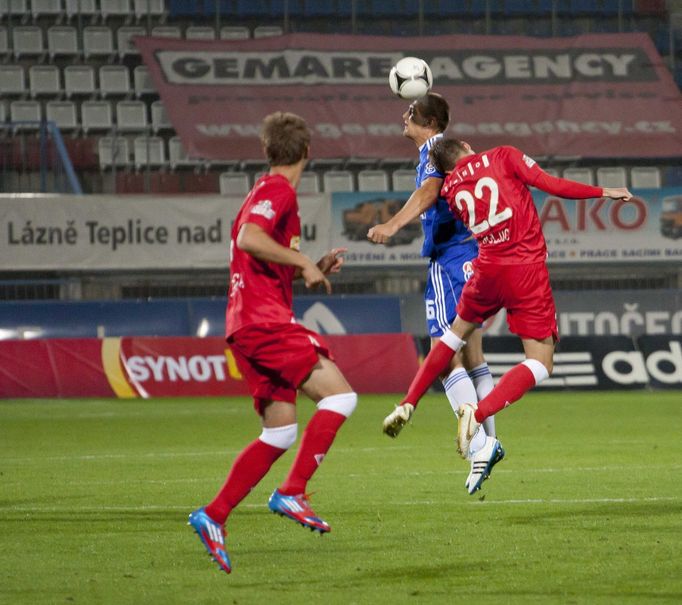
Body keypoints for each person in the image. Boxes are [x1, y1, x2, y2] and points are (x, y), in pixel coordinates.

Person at [383, 138, 632, 472]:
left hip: (487, 270)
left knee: (452, 337)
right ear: (467, 145)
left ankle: (407, 403)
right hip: (525, 271)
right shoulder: (504, 156)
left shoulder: (451, 190)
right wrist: (603, 192)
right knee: (541, 362)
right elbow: (551, 184)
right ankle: (479, 412)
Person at [188, 111, 357, 575]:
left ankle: (214, 514)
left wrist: (309, 264)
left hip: (247, 324)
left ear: (267, 151)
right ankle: (291, 492)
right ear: (307, 152)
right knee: (341, 397)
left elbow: (261, 254)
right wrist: (304, 262)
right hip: (264, 324)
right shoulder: (276, 190)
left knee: (280, 432)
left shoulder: (263, 193)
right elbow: (249, 238)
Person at [367, 92, 502, 495]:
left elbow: (429, 191)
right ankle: (490, 441)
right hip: (472, 257)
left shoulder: (432, 152)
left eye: (409, 112)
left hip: (449, 260)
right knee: (473, 355)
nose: (402, 115)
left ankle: (482, 444)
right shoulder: (448, 150)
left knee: (444, 356)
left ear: (426, 122)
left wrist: (392, 225)